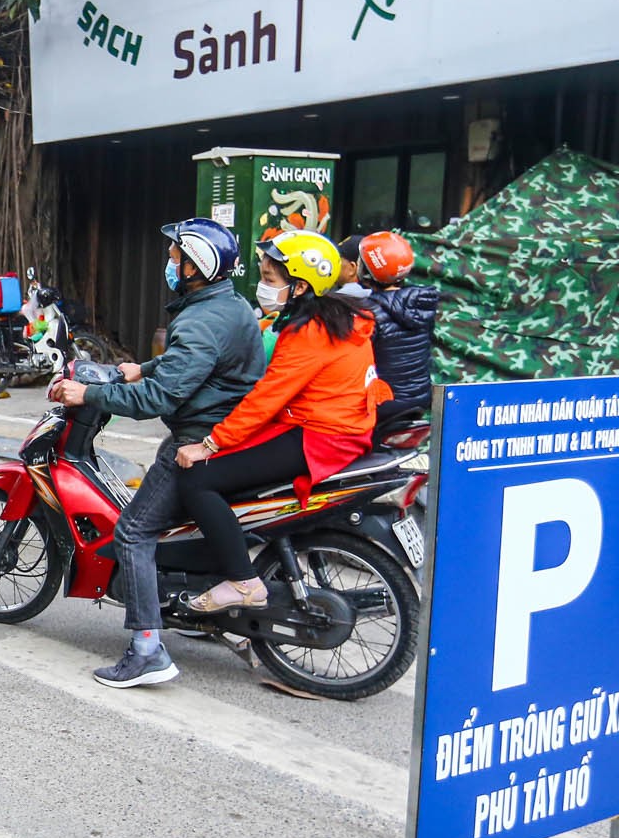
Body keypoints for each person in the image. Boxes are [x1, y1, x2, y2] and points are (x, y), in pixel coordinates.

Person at [48, 218, 262, 688]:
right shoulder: (229, 305)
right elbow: (190, 364)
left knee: (132, 532)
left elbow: (158, 399)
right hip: (227, 428)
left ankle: (147, 650)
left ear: (195, 266)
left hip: (198, 437)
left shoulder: (200, 320)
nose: (169, 262)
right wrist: (135, 368)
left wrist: (87, 396)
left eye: (175, 257)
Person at [173, 231, 392, 612]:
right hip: (342, 428)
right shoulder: (338, 317)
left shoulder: (308, 332)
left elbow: (267, 398)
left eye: (271, 279)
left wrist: (210, 443)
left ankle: (243, 581)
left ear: (301, 286)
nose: (263, 286)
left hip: (319, 436)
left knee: (197, 477)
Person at [357, 231, 440, 410]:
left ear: (366, 271)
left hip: (383, 403)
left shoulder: (367, 311)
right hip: (421, 398)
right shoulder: (422, 303)